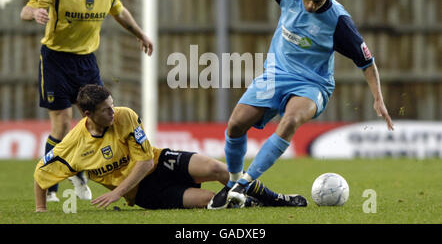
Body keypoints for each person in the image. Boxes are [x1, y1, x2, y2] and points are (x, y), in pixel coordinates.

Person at [209, 0, 395, 209]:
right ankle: (233, 183)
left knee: (291, 119)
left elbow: (367, 62)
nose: (311, 5)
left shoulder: (340, 23)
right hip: (274, 76)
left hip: (313, 84)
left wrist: (378, 99)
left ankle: (245, 183)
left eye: (318, 1)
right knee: (236, 125)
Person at [21, 0, 153, 203]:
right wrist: (35, 13)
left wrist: (140, 33)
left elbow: (119, 11)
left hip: (86, 59)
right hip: (55, 59)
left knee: (94, 121)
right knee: (63, 123)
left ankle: (80, 174)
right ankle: (52, 188)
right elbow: (26, 9)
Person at [33, 84, 308, 212]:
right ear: (87, 114)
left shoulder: (125, 115)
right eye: (106, 110)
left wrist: (115, 193)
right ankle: (249, 202)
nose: (113, 112)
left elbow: (143, 162)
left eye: (112, 105)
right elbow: (41, 174)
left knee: (218, 168)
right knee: (212, 202)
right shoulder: (73, 145)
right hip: (145, 193)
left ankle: (275, 198)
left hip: (159, 161)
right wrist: (40, 210)